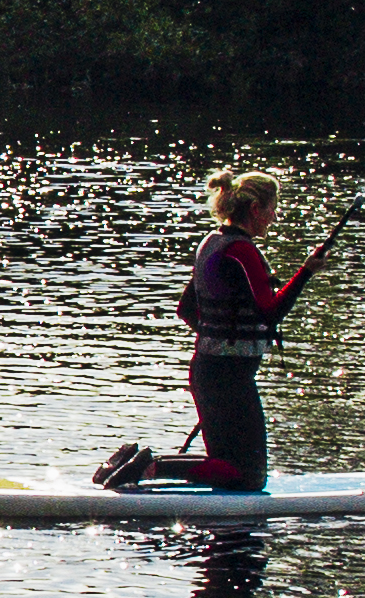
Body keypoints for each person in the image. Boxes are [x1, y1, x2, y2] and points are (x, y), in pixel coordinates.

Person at [95, 165, 326, 493]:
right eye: (272, 209)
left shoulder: (211, 243)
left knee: (229, 464)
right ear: (255, 209)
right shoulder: (242, 250)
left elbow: (186, 309)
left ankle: (136, 464)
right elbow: (270, 313)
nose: (274, 218)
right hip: (229, 376)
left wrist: (219, 340)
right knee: (248, 476)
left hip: (209, 369)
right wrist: (306, 272)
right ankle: (150, 466)